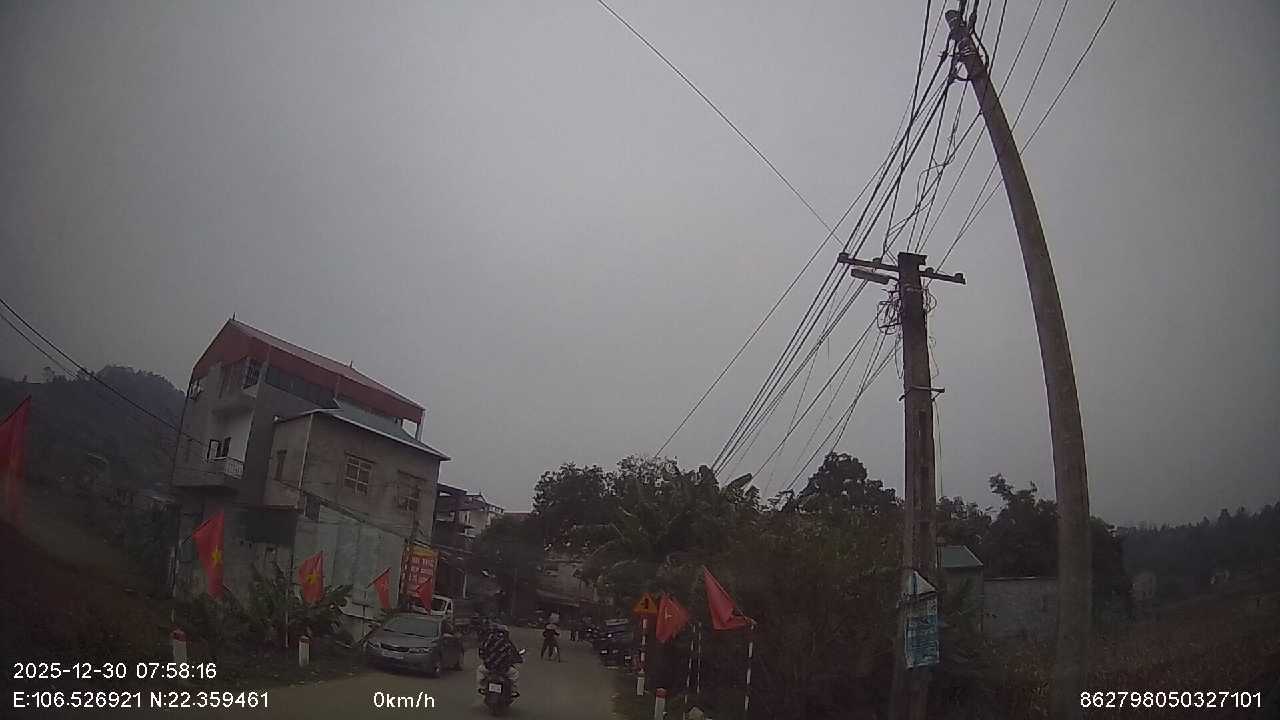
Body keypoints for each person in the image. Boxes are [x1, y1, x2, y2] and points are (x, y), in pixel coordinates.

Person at [476, 624, 521, 695]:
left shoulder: (487, 641)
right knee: (515, 674)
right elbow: (514, 654)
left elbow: (481, 652)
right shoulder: (507, 642)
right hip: (504, 669)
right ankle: (513, 691)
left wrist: (486, 659)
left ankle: (483, 687)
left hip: (489, 668)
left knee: (480, 670)